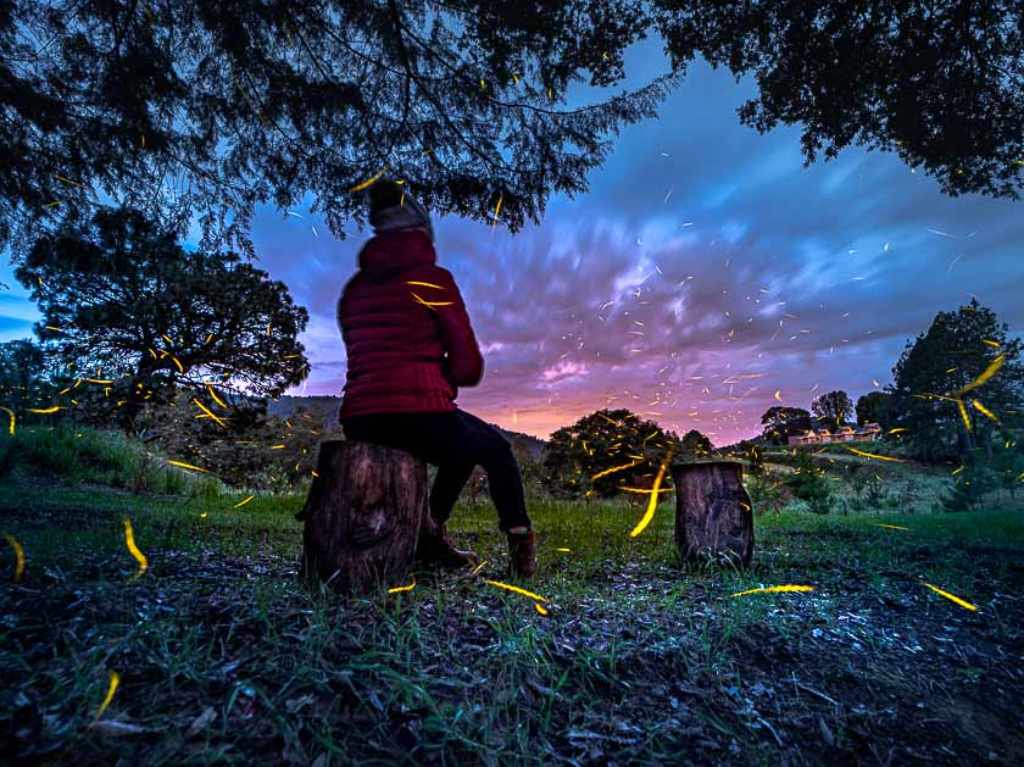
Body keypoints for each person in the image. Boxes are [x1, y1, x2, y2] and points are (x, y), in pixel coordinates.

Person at [336, 180, 537, 578]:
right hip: (416, 413)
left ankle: (427, 535)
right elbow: (469, 367)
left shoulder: (354, 289)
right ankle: (520, 543)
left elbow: (365, 357)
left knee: (461, 448)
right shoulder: (433, 279)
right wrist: (439, 377)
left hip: (358, 417)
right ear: (423, 232)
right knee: (494, 447)